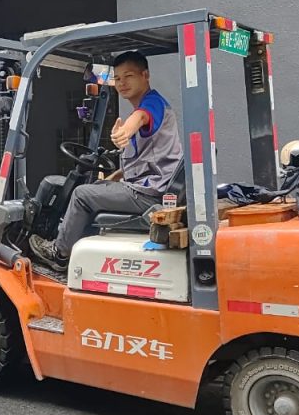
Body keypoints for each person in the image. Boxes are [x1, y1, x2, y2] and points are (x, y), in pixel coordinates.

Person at [30, 51, 184, 271]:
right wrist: (113, 178)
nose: (122, 83)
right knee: (97, 186)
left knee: (81, 194)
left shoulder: (152, 104)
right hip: (151, 189)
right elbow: (143, 160)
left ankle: (59, 253)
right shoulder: (151, 106)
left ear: (145, 75)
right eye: (118, 78)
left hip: (147, 195)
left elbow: (140, 117)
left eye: (128, 76)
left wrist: (125, 131)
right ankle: (79, 247)